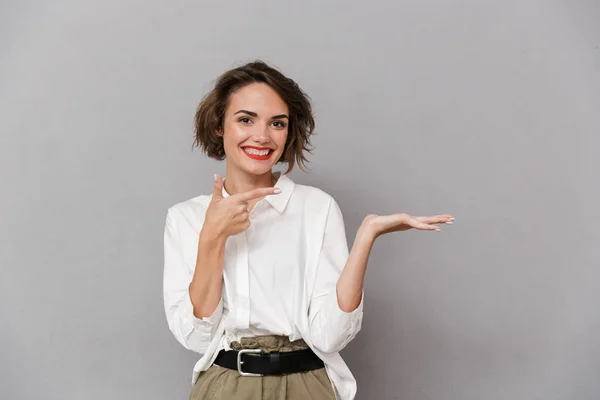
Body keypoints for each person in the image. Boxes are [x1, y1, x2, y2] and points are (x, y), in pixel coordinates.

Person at [163, 60, 454, 400]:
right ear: (219, 126)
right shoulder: (185, 217)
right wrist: (212, 237)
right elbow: (196, 337)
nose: (262, 136)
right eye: (245, 119)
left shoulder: (316, 208)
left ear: (289, 133)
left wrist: (365, 237)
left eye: (277, 123)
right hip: (227, 385)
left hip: (306, 384)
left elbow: (329, 335)